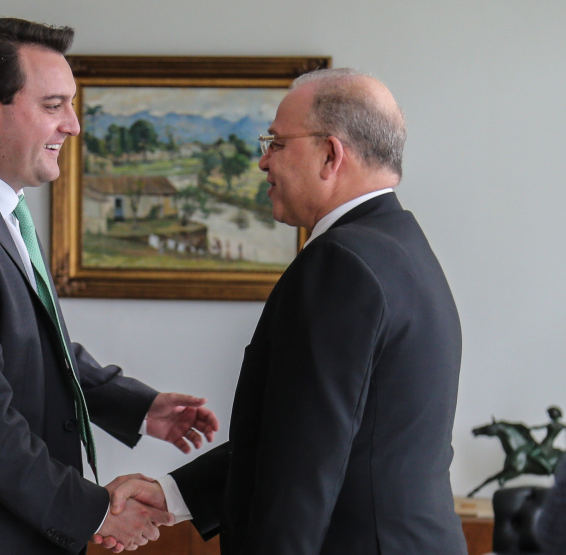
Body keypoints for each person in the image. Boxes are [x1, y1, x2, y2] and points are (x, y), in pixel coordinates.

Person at [0, 17, 218, 555]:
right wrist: (95, 512)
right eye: (54, 106)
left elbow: (33, 344)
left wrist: (140, 408)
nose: (73, 126)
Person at [104, 68, 466, 555]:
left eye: (275, 143)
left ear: (330, 155)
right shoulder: (402, 249)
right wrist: (173, 494)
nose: (262, 161)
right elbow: (307, 435)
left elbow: (304, 471)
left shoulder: (341, 263)